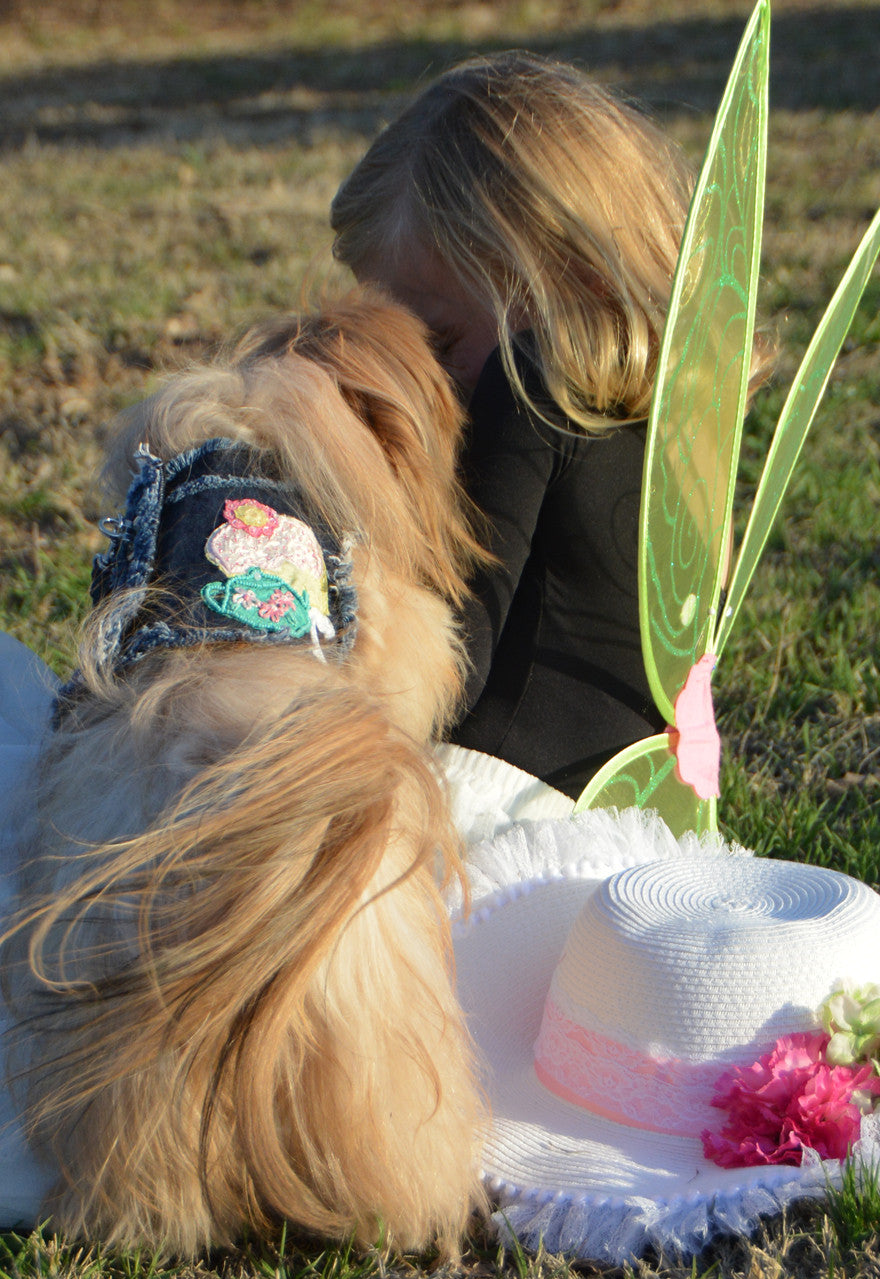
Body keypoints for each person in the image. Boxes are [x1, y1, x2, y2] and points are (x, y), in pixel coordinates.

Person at [331, 50, 774, 796]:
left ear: (571, 284)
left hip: (501, 814)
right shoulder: (671, 421)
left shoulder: (529, 381)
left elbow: (451, 661)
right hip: (633, 818)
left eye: (436, 341)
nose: (409, 373)